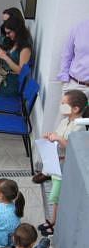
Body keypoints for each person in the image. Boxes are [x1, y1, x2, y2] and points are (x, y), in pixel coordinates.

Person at [33, 90, 88, 235]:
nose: (60, 106)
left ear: (75, 109)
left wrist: (58, 138)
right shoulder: (65, 121)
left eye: (64, 104)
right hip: (58, 164)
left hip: (66, 166)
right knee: (55, 196)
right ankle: (52, 220)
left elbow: (72, 146)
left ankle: (53, 222)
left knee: (56, 196)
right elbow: (58, 137)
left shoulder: (80, 126)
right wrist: (50, 137)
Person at [58, 18, 89, 96]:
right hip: (75, 86)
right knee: (66, 109)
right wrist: (65, 82)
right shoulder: (79, 28)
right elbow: (66, 55)